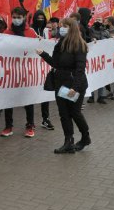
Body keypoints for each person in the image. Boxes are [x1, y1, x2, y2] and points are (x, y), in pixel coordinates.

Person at [37, 17, 91, 154]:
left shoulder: (79, 45)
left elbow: (80, 69)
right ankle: (68, 141)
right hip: (60, 84)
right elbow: (56, 63)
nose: (61, 28)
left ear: (71, 28)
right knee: (64, 114)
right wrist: (43, 54)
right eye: (61, 26)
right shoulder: (60, 44)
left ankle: (85, 137)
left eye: (65, 26)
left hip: (73, 85)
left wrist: (75, 87)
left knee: (75, 112)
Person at [1, 7, 39, 138]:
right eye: (14, 17)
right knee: (8, 100)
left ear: (24, 18)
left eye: (19, 17)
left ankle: (30, 126)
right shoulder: (7, 32)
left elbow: (37, 49)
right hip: (10, 72)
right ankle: (8, 126)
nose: (16, 19)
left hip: (26, 72)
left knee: (28, 100)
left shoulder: (31, 33)